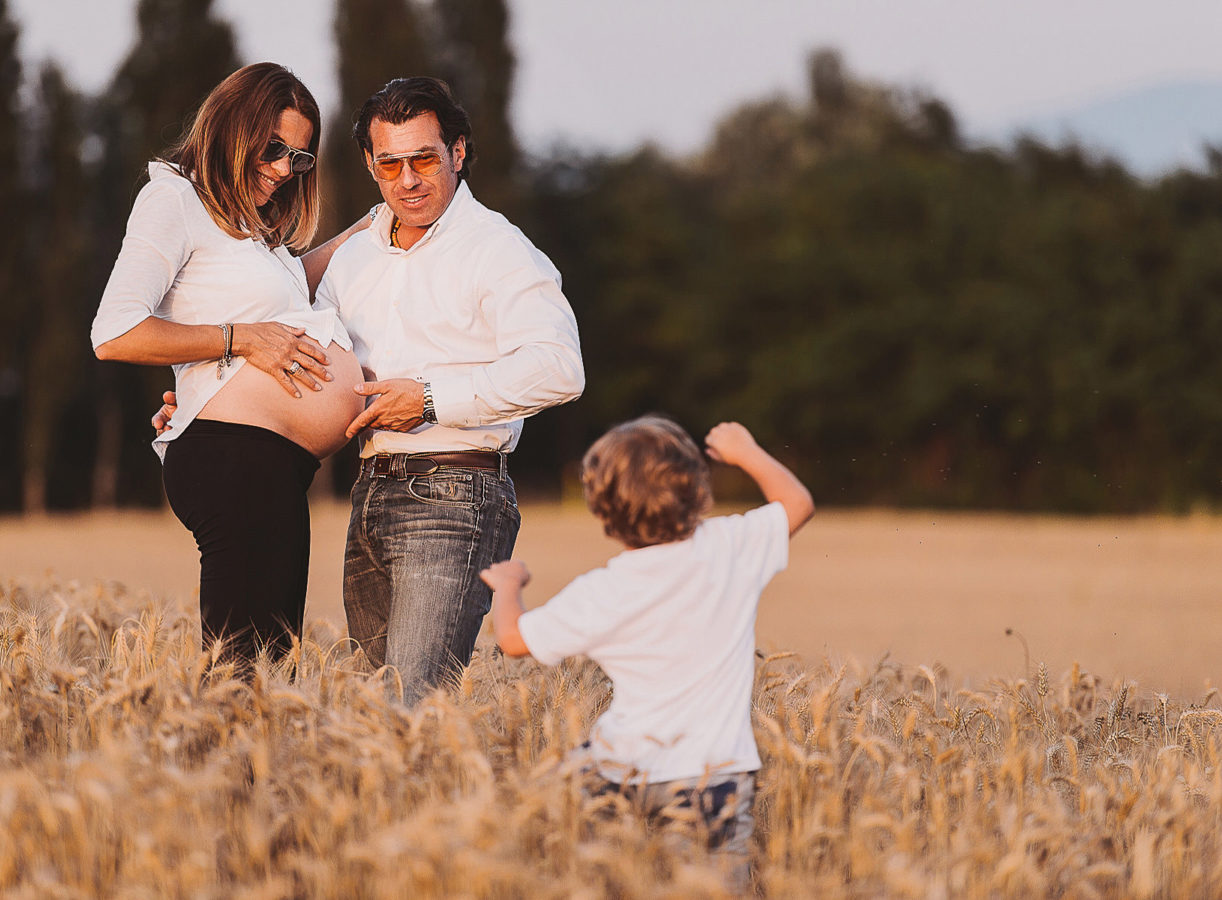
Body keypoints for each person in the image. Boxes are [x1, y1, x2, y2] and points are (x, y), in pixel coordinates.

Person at [155, 76, 585, 701]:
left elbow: (558, 368)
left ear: (458, 153)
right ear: (369, 164)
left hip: (455, 494)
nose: (407, 180)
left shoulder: (500, 250)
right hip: (371, 497)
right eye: (390, 164)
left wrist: (431, 397)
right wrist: (205, 398)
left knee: (412, 707)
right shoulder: (355, 259)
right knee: (374, 715)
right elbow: (291, 346)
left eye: (423, 160)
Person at [91, 62, 367, 665]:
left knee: (270, 673)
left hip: (274, 466)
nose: (281, 170)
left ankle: (244, 765)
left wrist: (371, 230)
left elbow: (296, 294)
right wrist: (241, 339)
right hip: (232, 459)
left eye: (297, 159)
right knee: (243, 676)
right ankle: (210, 764)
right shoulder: (174, 198)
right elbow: (114, 333)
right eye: (271, 149)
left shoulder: (252, 230)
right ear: (230, 126)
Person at [479, 417, 814, 874]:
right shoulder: (729, 547)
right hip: (714, 775)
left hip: (620, 767)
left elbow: (514, 640)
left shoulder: (603, 589)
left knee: (585, 864)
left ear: (602, 513)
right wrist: (745, 450)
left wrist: (508, 585)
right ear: (699, 492)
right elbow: (797, 502)